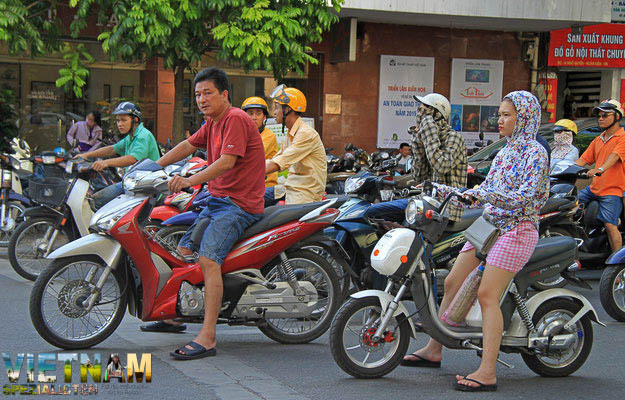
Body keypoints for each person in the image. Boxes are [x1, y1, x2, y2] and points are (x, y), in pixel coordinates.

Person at [402, 91, 549, 392]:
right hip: (489, 225)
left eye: (507, 115)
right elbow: (486, 187)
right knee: (454, 280)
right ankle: (434, 348)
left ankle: (487, 371)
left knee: (487, 295)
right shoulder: (505, 151)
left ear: (524, 118)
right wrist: (452, 191)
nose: (500, 120)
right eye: (499, 114)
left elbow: (525, 197)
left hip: (517, 229)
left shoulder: (536, 153)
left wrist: (486, 195)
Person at [141, 67, 265, 359]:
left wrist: (188, 181)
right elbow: (187, 145)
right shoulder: (212, 122)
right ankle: (177, 314)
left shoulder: (235, 118)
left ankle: (208, 336)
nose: (201, 99)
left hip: (238, 204)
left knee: (209, 260)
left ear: (224, 94)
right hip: (218, 200)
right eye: (197, 94)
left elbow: (226, 162)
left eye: (207, 93)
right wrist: (152, 167)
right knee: (182, 250)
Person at [367, 93, 467, 223]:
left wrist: (429, 132)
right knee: (375, 213)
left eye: (423, 111)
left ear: (435, 115)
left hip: (446, 209)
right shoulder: (427, 136)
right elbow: (419, 176)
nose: (419, 114)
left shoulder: (453, 138)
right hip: (424, 202)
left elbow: (440, 167)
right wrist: (419, 142)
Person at [77, 102, 160, 209]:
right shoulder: (131, 137)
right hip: (132, 183)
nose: (119, 124)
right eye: (118, 120)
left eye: (123, 120)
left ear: (135, 120)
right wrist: (87, 155)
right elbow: (112, 149)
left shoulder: (143, 136)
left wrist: (105, 163)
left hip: (143, 187)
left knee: (97, 202)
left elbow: (132, 159)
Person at [575, 99, 625, 253]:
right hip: (593, 189)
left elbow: (615, 156)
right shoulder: (599, 139)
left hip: (612, 191)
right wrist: (561, 171)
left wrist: (600, 169)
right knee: (567, 206)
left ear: (617, 117)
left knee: (610, 225)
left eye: (605, 115)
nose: (601, 118)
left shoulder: (622, 137)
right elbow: (583, 160)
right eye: (599, 115)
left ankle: (617, 263)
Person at [264, 84, 326, 206]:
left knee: (273, 221)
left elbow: (281, 162)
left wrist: (251, 172)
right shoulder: (291, 133)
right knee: (256, 195)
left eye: (277, 108)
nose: (274, 112)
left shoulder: (305, 134)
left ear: (287, 110)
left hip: (304, 194)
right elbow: (277, 157)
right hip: (290, 187)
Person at [242, 96, 279, 187]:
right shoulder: (241, 134)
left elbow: (250, 155)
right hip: (245, 184)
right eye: (250, 113)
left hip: (265, 185)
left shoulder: (269, 135)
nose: (254, 117)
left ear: (264, 117)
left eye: (258, 114)